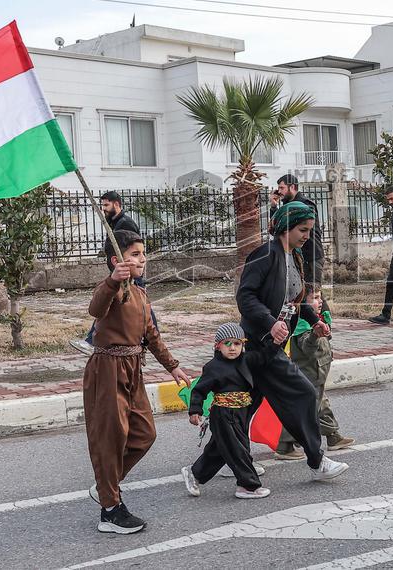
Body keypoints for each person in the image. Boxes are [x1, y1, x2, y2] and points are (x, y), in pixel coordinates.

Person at [84, 229, 191, 534]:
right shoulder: (114, 289)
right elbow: (96, 309)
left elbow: (151, 337)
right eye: (134, 254)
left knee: (144, 433)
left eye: (143, 253)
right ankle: (110, 510)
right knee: (110, 438)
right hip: (107, 369)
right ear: (116, 260)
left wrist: (173, 367)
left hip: (134, 369)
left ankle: (107, 485)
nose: (142, 258)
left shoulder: (141, 293)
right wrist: (112, 280)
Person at [236, 201, 349, 481]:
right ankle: (317, 460)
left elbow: (293, 301)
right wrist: (270, 322)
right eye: (302, 230)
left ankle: (225, 459)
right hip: (259, 342)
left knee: (245, 404)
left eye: (310, 231)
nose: (307, 236)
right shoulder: (265, 255)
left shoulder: (293, 257)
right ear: (285, 227)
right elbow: (245, 297)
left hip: (272, 343)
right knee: (304, 392)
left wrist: (315, 321)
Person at [182, 323, 271, 500]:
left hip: (241, 412)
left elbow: (265, 357)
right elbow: (199, 390)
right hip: (223, 413)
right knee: (236, 448)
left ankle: (195, 473)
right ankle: (247, 485)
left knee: (221, 449)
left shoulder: (246, 361)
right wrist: (195, 410)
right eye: (227, 343)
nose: (232, 348)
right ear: (218, 346)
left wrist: (275, 342)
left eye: (237, 343)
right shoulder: (213, 367)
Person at [277, 290, 354, 458]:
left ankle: (333, 436)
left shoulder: (319, 318)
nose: (320, 302)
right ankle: (285, 445)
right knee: (303, 410)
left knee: (322, 406)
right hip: (309, 375)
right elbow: (308, 349)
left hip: (319, 373)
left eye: (321, 297)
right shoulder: (302, 326)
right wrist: (314, 335)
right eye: (315, 298)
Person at [69, 191, 143, 355]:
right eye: (102, 205)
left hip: (128, 274)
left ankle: (90, 340)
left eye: (106, 205)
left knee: (141, 309)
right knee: (138, 309)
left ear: (117, 204)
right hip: (121, 273)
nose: (103, 209)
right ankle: (144, 340)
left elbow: (133, 250)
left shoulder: (125, 223)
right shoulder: (117, 222)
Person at [270, 174, 324, 295]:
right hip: (297, 256)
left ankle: (324, 314)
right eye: (278, 188)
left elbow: (287, 226)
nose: (279, 192)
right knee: (300, 294)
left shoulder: (305, 205)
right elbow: (277, 228)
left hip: (311, 255)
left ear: (292, 187)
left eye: (281, 188)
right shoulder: (289, 206)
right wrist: (274, 206)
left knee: (313, 293)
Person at [369, 185, 393, 325]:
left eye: (392, 198)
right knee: (391, 283)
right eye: (388, 199)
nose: (390, 202)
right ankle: (386, 315)